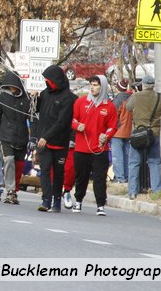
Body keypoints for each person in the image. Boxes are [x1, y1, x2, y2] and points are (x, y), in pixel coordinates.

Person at [70, 75, 117, 216]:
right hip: (81, 147)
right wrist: (77, 126)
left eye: (96, 85)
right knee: (81, 176)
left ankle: (100, 205)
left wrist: (106, 136)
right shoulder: (81, 102)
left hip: (100, 149)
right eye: (91, 84)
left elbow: (113, 126)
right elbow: (72, 119)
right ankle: (78, 201)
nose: (92, 87)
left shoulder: (109, 106)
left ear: (102, 87)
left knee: (99, 178)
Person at [32, 65, 77, 212]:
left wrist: (47, 136)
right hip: (43, 142)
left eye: (49, 80)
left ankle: (57, 199)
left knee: (58, 173)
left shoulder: (69, 98)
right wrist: (34, 99)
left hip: (59, 141)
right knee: (44, 170)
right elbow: (37, 111)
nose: (47, 83)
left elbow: (62, 122)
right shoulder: (45, 93)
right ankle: (46, 200)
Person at [0, 70, 30, 205]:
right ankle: (10, 191)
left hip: (22, 136)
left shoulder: (27, 99)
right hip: (5, 135)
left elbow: (34, 119)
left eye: (14, 87)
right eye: (9, 87)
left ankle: (15, 190)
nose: (12, 90)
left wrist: (34, 138)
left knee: (19, 164)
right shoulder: (3, 97)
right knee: (9, 160)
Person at [125, 75, 161, 198]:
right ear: (153, 85)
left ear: (143, 84)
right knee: (154, 162)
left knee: (134, 162)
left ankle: (133, 191)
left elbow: (128, 107)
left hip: (139, 133)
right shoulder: (160, 97)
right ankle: (157, 191)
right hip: (154, 133)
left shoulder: (136, 96)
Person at [110, 79, 133, 184]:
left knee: (117, 156)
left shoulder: (118, 100)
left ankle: (119, 177)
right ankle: (127, 176)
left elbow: (113, 116)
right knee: (126, 155)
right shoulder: (131, 99)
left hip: (117, 132)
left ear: (118, 88)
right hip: (128, 131)